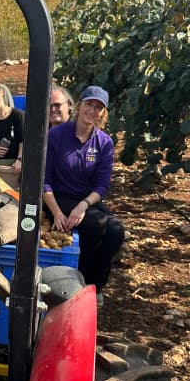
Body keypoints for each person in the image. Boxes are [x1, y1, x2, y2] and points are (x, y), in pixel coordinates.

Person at [43, 86, 124, 307]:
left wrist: (83, 204)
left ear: (103, 113)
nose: (93, 110)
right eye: (89, 104)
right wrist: (57, 212)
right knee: (95, 226)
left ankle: (95, 285)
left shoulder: (104, 142)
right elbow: (45, 180)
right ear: (79, 106)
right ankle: (79, 282)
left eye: (98, 108)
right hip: (57, 197)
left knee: (116, 232)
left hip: (86, 200)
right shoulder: (57, 135)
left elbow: (102, 185)